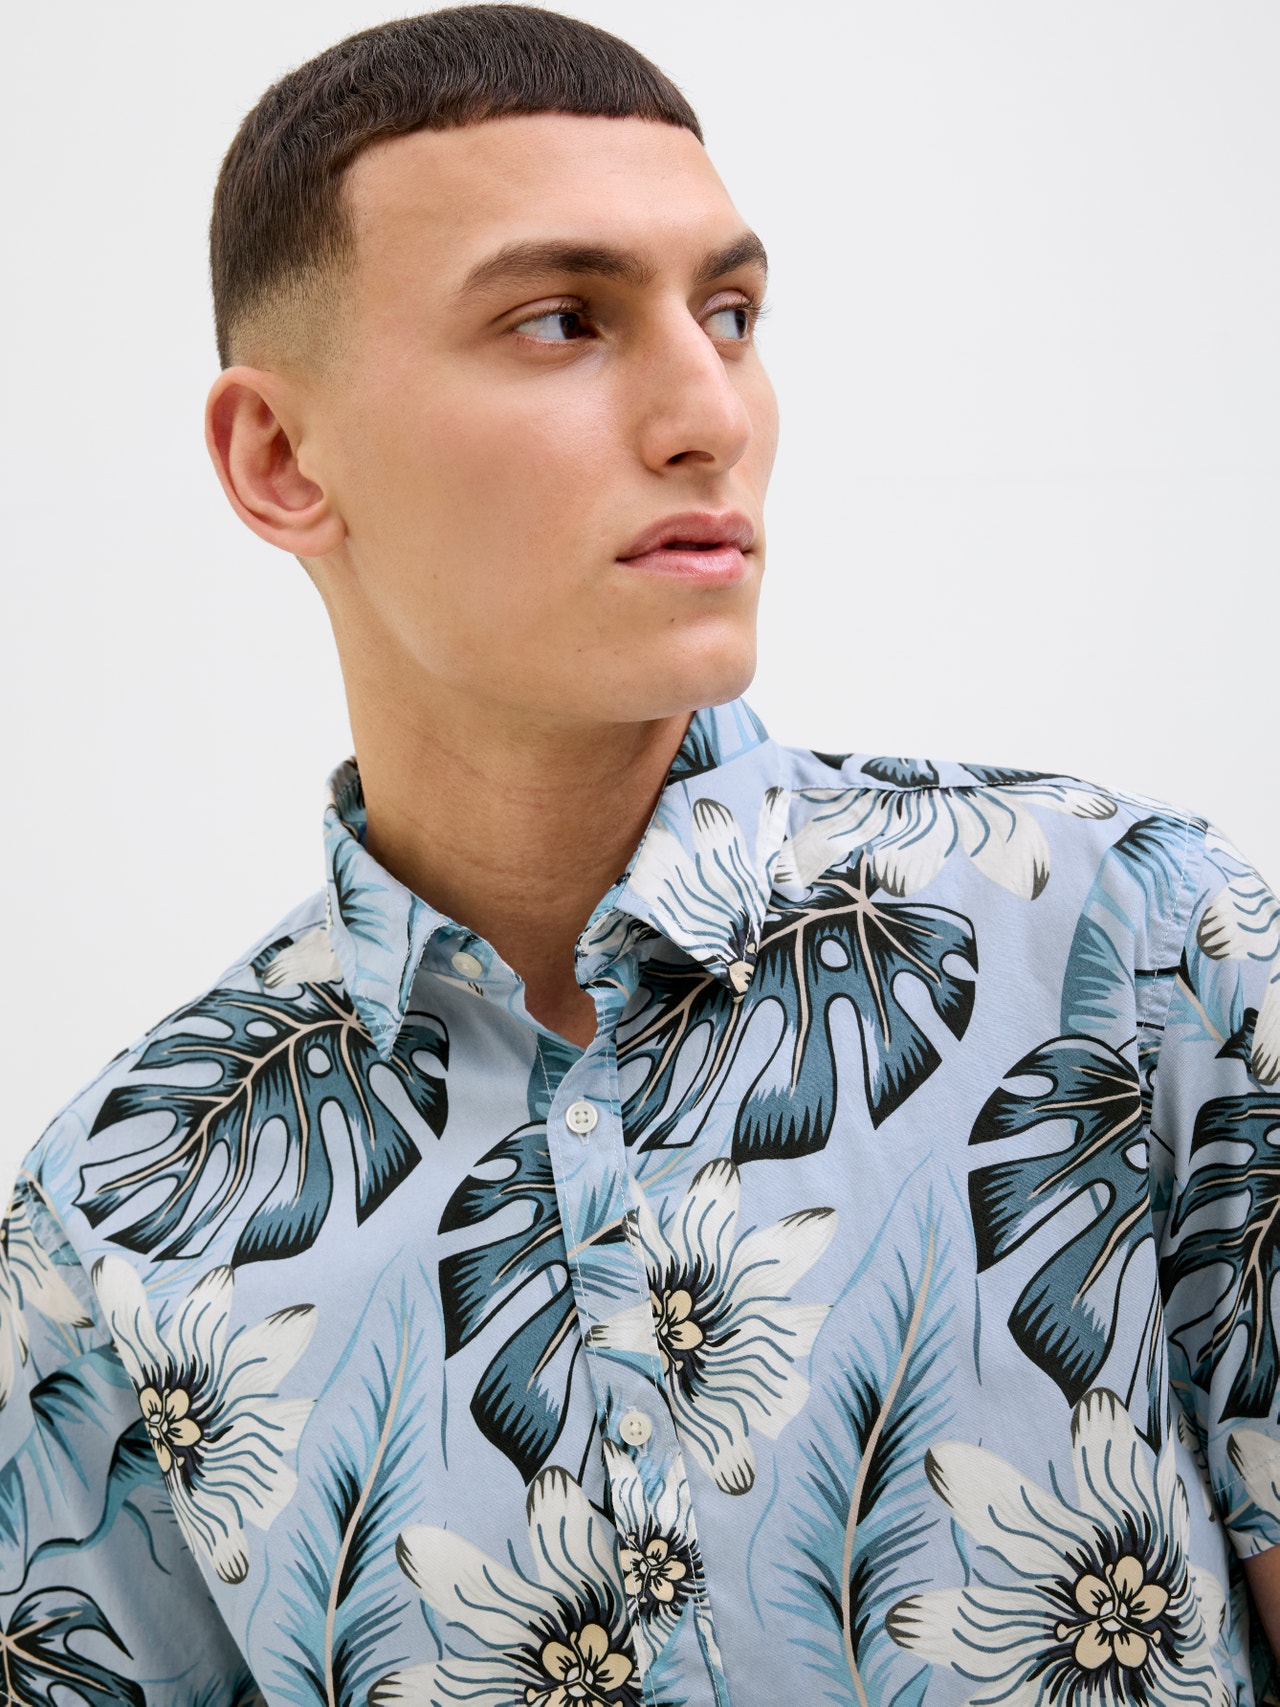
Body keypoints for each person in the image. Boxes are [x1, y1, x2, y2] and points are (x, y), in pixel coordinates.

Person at [4, 6, 1279, 1704]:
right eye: (562, 321)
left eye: (730, 315)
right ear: (282, 458)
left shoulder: (1130, 947)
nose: (709, 416)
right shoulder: (119, 1211)